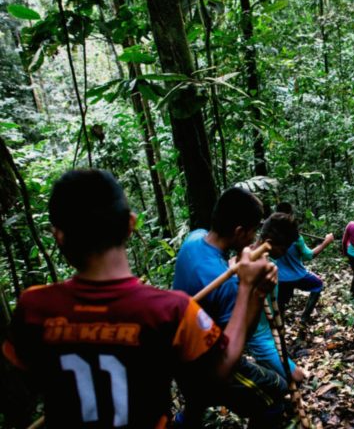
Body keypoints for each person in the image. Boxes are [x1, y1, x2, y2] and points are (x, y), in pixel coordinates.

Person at [1, 170, 275, 428]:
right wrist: (249, 289)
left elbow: (15, 398)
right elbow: (221, 367)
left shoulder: (33, 307)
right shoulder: (173, 310)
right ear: (130, 225)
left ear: (58, 237)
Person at [173, 187, 298, 427]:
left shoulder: (194, 238)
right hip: (207, 368)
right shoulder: (227, 286)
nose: (254, 238)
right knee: (275, 394)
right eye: (252, 231)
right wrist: (257, 292)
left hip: (181, 356)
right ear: (239, 231)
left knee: (195, 402)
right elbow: (232, 350)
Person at [273, 203, 334, 325]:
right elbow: (309, 255)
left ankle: (281, 331)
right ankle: (304, 318)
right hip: (298, 276)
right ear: (290, 216)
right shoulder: (296, 237)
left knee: (280, 306)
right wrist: (326, 242)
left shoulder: (270, 235)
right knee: (318, 284)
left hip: (279, 279)